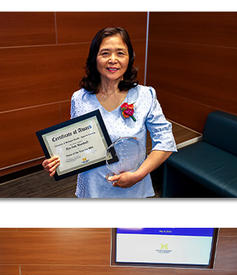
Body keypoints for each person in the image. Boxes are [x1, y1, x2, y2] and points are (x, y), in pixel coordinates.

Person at [42, 26, 177, 198]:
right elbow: (77, 143)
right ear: (94, 58)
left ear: (129, 58)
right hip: (93, 187)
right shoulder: (80, 98)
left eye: (120, 53)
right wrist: (57, 161)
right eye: (105, 53)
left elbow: (165, 142)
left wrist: (138, 175)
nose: (113, 59)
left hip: (133, 186)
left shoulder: (145, 95)